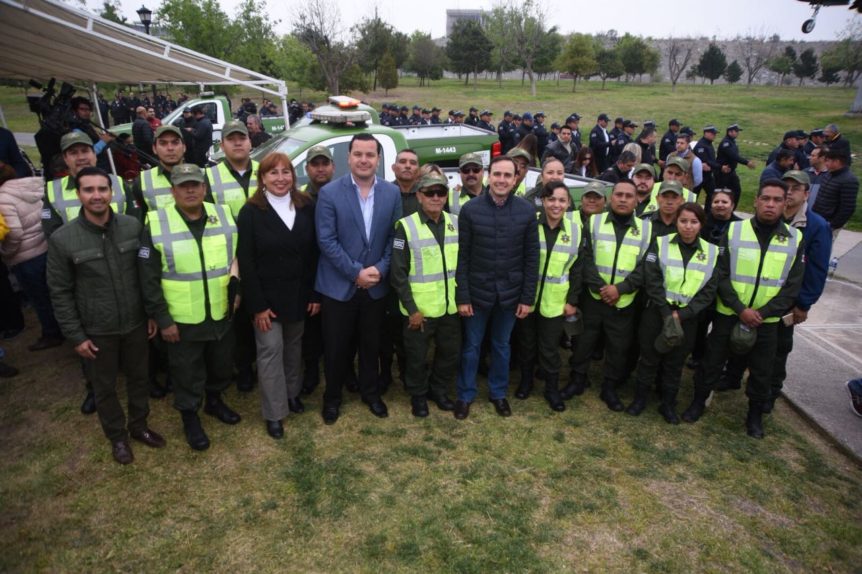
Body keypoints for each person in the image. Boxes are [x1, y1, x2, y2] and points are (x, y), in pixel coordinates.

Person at [46, 166, 166, 464]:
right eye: (89, 190)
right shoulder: (63, 239)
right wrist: (75, 335)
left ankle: (139, 426)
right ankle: (118, 437)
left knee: (139, 378)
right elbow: (59, 292)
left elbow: (144, 276)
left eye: (102, 189)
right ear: (79, 194)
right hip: (97, 330)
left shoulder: (131, 227)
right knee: (105, 387)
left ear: (111, 192)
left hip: (136, 323)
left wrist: (151, 314)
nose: (97, 195)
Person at [683, 179, 804, 439]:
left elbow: (792, 285)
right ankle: (697, 403)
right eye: (766, 199)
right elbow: (720, 274)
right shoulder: (735, 231)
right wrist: (740, 309)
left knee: (762, 371)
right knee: (711, 362)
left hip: (766, 321)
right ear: (756, 201)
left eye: (777, 200)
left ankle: (754, 416)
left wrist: (763, 313)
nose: (770, 204)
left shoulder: (795, 239)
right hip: (729, 314)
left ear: (785, 204)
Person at [139, 163, 241, 451]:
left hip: (221, 310)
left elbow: (237, 256)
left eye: (195, 184)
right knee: (186, 371)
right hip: (182, 317)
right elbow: (148, 278)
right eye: (183, 185)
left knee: (221, 364)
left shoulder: (222, 215)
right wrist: (162, 318)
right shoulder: (156, 223)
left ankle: (215, 401)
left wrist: (238, 292)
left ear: (205, 188)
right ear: (173, 191)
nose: (190, 190)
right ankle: (190, 416)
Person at [717, 171, 831, 411]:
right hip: (745, 303)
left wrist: (803, 304)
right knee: (740, 342)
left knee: (776, 352)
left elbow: (816, 269)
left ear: (806, 193)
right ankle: (732, 377)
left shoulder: (815, 226)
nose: (789, 192)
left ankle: (768, 394)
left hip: (782, 305)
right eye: (786, 186)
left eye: (795, 188)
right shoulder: (759, 220)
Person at [315, 134, 402, 424]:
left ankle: (370, 393)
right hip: (339, 286)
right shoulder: (329, 193)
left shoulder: (392, 193)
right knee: (336, 347)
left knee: (371, 344)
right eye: (358, 154)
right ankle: (333, 398)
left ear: (378, 159)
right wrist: (356, 272)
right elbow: (326, 241)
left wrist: (380, 268)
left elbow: (395, 238)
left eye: (370, 154)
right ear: (348, 158)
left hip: (376, 285)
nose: (364, 160)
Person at [237, 152, 318, 439]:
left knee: (293, 349)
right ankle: (275, 413)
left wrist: (313, 294)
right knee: (270, 352)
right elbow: (246, 261)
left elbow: (312, 255)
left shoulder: (306, 205)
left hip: (299, 295)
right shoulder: (250, 212)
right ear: (262, 178)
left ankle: (292, 395)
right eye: (273, 173)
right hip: (267, 301)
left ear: (294, 176)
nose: (281, 178)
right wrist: (257, 306)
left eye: (286, 172)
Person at [454, 155, 538, 420]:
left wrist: (527, 298)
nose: (501, 180)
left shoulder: (526, 211)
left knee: (502, 345)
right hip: (477, 293)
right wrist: (463, 296)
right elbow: (463, 256)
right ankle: (465, 395)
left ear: (515, 180)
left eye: (507, 175)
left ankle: (498, 393)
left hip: (510, 294)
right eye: (497, 174)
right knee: (472, 346)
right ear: (490, 176)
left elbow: (531, 257)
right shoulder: (470, 210)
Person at [563, 180, 651, 407]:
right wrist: (601, 287)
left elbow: (646, 267)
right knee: (584, 340)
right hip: (594, 296)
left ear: (636, 200)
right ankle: (577, 379)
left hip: (623, 300)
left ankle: (609, 387)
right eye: (618, 194)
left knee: (618, 346)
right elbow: (585, 258)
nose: (623, 199)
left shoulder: (646, 229)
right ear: (611, 198)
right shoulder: (594, 222)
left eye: (628, 196)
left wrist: (620, 289)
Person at [628, 202, 718, 423]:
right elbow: (652, 278)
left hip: (687, 318)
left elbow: (709, 290)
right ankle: (639, 399)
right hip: (657, 312)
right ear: (676, 222)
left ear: (701, 224)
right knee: (649, 357)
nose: (688, 226)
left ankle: (667, 404)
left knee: (675, 362)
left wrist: (684, 314)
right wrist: (666, 311)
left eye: (694, 222)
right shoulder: (661, 244)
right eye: (683, 221)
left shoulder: (712, 252)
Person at [390, 171, 460, 417]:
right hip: (419, 310)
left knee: (449, 353)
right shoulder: (406, 227)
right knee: (416, 358)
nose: (436, 197)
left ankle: (438, 390)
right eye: (430, 192)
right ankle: (418, 396)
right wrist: (412, 310)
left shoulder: (455, 223)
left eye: (441, 192)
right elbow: (397, 274)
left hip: (450, 307)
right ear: (419, 195)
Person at [515, 180, 582, 412]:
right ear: (543, 201)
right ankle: (525, 382)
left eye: (562, 200)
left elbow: (577, 268)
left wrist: (572, 301)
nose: (556, 205)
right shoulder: (531, 225)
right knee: (526, 344)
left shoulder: (575, 229)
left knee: (550, 348)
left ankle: (552, 390)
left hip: (556, 301)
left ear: (568, 203)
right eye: (551, 199)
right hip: (528, 299)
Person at [206, 120, 260, 393]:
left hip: (264, 257)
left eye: (242, 137)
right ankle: (244, 368)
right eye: (231, 139)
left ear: (250, 142)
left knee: (263, 313)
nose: (238, 143)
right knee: (238, 318)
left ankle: (265, 363)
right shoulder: (211, 177)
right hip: (231, 259)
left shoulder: (266, 171)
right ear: (222, 145)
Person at [1, 174, 64, 352]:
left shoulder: (2, 198)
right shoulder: (27, 188)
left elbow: (14, 234)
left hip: (25, 257)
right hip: (43, 247)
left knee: (39, 299)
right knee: (51, 294)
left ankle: (51, 333)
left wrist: (6, 252)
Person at [42, 132, 130, 237]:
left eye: (85, 151)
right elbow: (53, 235)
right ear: (65, 159)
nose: (81, 157)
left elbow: (134, 225)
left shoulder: (118, 183)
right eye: (73, 153)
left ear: (94, 154)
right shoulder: (54, 191)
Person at [132, 125, 192, 217]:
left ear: (184, 147)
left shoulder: (203, 176)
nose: (170, 148)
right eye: (163, 143)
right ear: (154, 149)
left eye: (175, 142)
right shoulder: (142, 182)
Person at [812, 148, 859, 244]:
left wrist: (833, 225)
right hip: (817, 218)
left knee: (822, 248)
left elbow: (848, 207)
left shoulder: (849, 180)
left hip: (829, 223)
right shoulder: (828, 175)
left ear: (837, 161)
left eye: (828, 161)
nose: (825, 164)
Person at [716, 123, 756, 206]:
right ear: (730, 132)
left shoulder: (732, 142)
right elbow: (733, 156)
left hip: (731, 172)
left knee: (736, 190)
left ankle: (731, 210)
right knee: (719, 193)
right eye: (736, 131)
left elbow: (736, 155)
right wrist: (747, 162)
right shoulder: (726, 143)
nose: (738, 133)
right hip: (723, 172)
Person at [693, 125, 720, 209]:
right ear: (706, 133)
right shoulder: (701, 145)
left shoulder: (708, 143)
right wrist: (719, 167)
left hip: (707, 176)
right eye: (712, 133)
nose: (714, 135)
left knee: (712, 194)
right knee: (694, 196)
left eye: (715, 133)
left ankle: (707, 213)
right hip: (700, 175)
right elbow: (705, 161)